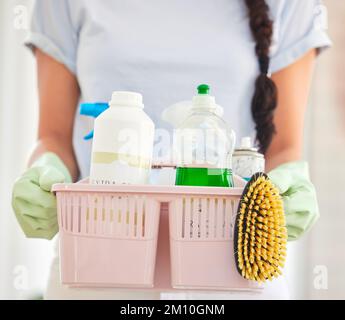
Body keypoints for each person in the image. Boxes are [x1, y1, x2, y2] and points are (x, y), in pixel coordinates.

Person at [12, 0, 331, 299]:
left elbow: (284, 147)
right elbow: (53, 135)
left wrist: (289, 181)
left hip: (232, 266)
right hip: (100, 258)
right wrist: (47, 170)